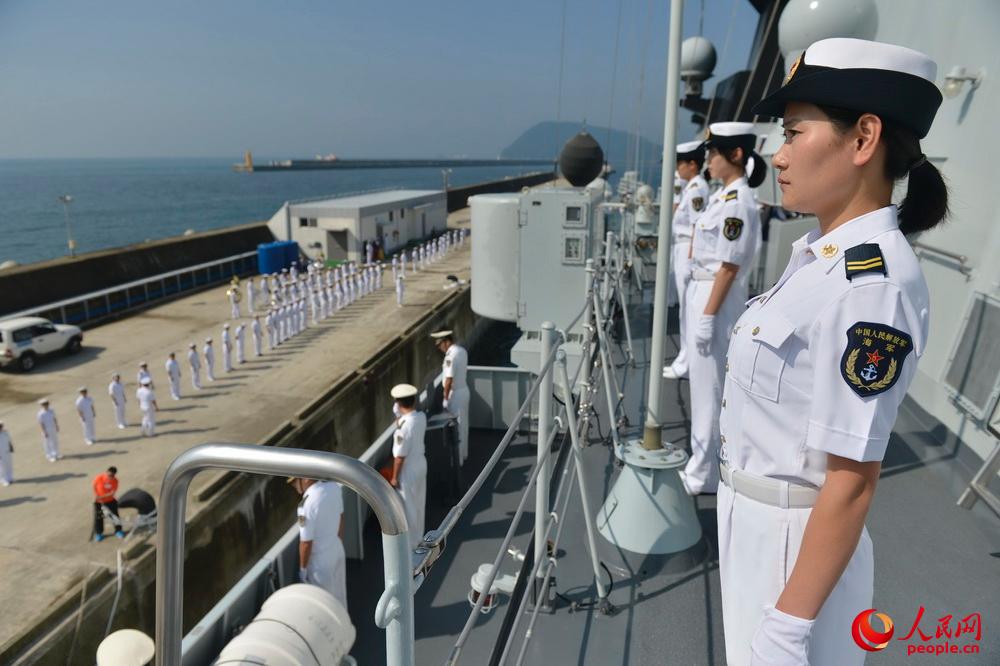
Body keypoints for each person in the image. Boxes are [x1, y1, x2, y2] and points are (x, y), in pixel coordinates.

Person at [714, 38, 947, 665]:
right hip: (757, 529)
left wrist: (788, 628)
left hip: (792, 551)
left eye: (794, 132)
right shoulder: (821, 259)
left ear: (863, 138)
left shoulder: (873, 287)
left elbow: (850, 482)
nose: (778, 154)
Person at [681, 121, 765, 497]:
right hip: (704, 291)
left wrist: (707, 316)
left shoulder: (737, 203)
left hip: (715, 297)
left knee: (709, 390)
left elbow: (729, 267)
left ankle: (704, 473)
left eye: (714, 153)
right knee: (702, 387)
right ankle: (701, 465)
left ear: (736, 154)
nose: (708, 160)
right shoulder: (723, 197)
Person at [663, 140, 711, 381]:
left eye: (680, 164)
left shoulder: (696, 189)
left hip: (687, 251)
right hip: (682, 249)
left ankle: (687, 362)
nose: (677, 168)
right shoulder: (691, 187)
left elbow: (696, 227)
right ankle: (684, 358)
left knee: (687, 309)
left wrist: (692, 260)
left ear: (692, 164)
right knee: (684, 309)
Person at [289, 476, 348, 606]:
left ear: (305, 478)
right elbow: (341, 518)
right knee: (340, 595)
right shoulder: (334, 488)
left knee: (325, 603)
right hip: (337, 549)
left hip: (320, 564)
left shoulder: (305, 505)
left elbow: (306, 543)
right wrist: (336, 544)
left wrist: (303, 570)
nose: (295, 486)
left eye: (295, 482)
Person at [389, 384, 427, 551]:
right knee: (419, 502)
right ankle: (419, 536)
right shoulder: (420, 417)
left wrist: (394, 478)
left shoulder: (403, 428)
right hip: (420, 463)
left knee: (408, 506)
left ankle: (412, 545)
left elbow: (399, 458)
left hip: (408, 469)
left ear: (398, 403)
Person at [432, 330, 470, 465]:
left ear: (446, 342)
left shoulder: (450, 356)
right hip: (464, 390)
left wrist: (445, 399)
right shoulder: (461, 351)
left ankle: (458, 461)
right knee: (464, 424)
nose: (439, 348)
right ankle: (464, 454)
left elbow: (448, 379)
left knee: (457, 427)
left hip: (455, 394)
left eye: (439, 345)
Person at [92, 466, 125, 541]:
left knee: (115, 516)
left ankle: (118, 531)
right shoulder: (99, 477)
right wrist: (96, 495)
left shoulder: (115, 481)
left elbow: (112, 493)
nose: (110, 477)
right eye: (109, 475)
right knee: (99, 517)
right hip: (98, 502)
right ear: (106, 472)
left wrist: (101, 497)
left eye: (112, 476)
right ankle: (99, 533)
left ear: (114, 475)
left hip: (110, 501)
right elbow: (94, 486)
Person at [0, 421, 13, 486]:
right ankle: (4, 480)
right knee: (2, 467)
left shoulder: (5, 432)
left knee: (9, 465)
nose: (1, 427)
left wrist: (11, 447)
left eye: (1, 425)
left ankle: (10, 477)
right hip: (0, 453)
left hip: (7, 451)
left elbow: (9, 440)